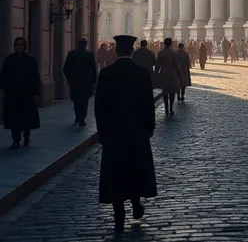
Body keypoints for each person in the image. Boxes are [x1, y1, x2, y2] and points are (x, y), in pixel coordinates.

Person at [94, 34, 156, 233]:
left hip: (113, 133)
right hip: (136, 131)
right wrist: (150, 126)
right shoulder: (141, 73)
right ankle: (136, 205)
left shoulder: (106, 73)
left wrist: (101, 131)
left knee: (115, 174)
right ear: (131, 51)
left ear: (116, 51)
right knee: (135, 168)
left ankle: (118, 217)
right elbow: (149, 103)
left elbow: (99, 106)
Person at [0, 37, 41, 149]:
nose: (19, 47)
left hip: (27, 94)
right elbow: (4, 75)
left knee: (26, 118)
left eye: (21, 45)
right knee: (14, 118)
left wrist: (36, 93)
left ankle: (26, 136)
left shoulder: (30, 60)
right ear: (14, 46)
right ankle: (16, 140)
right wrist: (3, 90)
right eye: (17, 45)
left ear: (25, 46)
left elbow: (35, 77)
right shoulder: (9, 59)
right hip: (13, 93)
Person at [63, 37, 97, 127]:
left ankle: (78, 116)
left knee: (76, 101)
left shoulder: (71, 54)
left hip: (74, 81)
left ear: (78, 44)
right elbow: (93, 69)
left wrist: (69, 78)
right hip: (86, 81)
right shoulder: (89, 54)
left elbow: (65, 68)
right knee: (84, 101)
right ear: (86, 44)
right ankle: (82, 118)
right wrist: (93, 81)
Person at [156, 38, 181, 116]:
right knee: (172, 92)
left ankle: (166, 108)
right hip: (172, 74)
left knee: (165, 92)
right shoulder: (173, 53)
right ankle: (171, 108)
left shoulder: (160, 53)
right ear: (171, 43)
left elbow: (157, 65)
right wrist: (179, 74)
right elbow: (176, 65)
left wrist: (156, 75)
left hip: (163, 73)